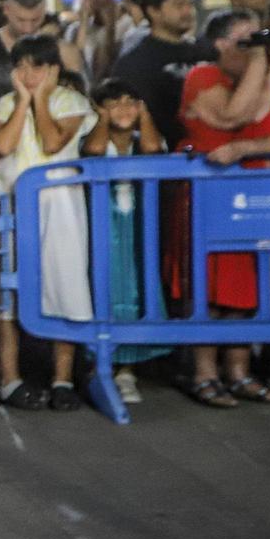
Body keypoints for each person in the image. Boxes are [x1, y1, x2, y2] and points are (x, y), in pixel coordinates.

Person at [170, 10, 270, 407]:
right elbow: (233, 116)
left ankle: (239, 372)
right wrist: (261, 60)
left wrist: (248, 148)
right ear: (220, 44)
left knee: (247, 289)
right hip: (208, 197)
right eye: (246, 41)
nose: (256, 49)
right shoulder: (203, 76)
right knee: (209, 289)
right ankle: (204, 373)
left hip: (257, 198)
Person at [0, 35, 98, 411]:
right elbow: (3, 146)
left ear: (53, 69)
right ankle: (10, 377)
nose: (27, 73)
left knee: (64, 284)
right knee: (9, 291)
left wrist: (40, 99)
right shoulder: (5, 103)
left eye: (37, 66)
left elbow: (52, 142)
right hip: (15, 206)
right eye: (21, 66)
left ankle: (62, 378)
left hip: (61, 207)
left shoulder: (71, 102)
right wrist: (23, 101)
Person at [81, 79, 168, 405]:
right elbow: (93, 150)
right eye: (114, 103)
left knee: (134, 286)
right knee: (100, 286)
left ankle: (127, 369)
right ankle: (98, 362)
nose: (124, 109)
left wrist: (144, 117)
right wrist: (103, 119)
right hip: (102, 227)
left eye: (132, 102)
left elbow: (152, 150)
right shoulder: (92, 135)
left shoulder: (145, 136)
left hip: (137, 229)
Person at [110, 0, 202, 149]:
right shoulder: (135, 62)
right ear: (153, 10)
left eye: (190, 4)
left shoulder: (203, 52)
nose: (188, 11)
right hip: (160, 158)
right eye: (179, 5)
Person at [0, 0, 84, 111]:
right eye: (21, 20)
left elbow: (79, 102)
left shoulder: (65, 51)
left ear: (44, 10)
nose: (27, 29)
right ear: (7, 9)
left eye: (35, 20)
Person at [66, 0, 134, 82]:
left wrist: (110, 28)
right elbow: (75, 68)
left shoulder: (129, 25)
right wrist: (83, 24)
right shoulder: (75, 29)